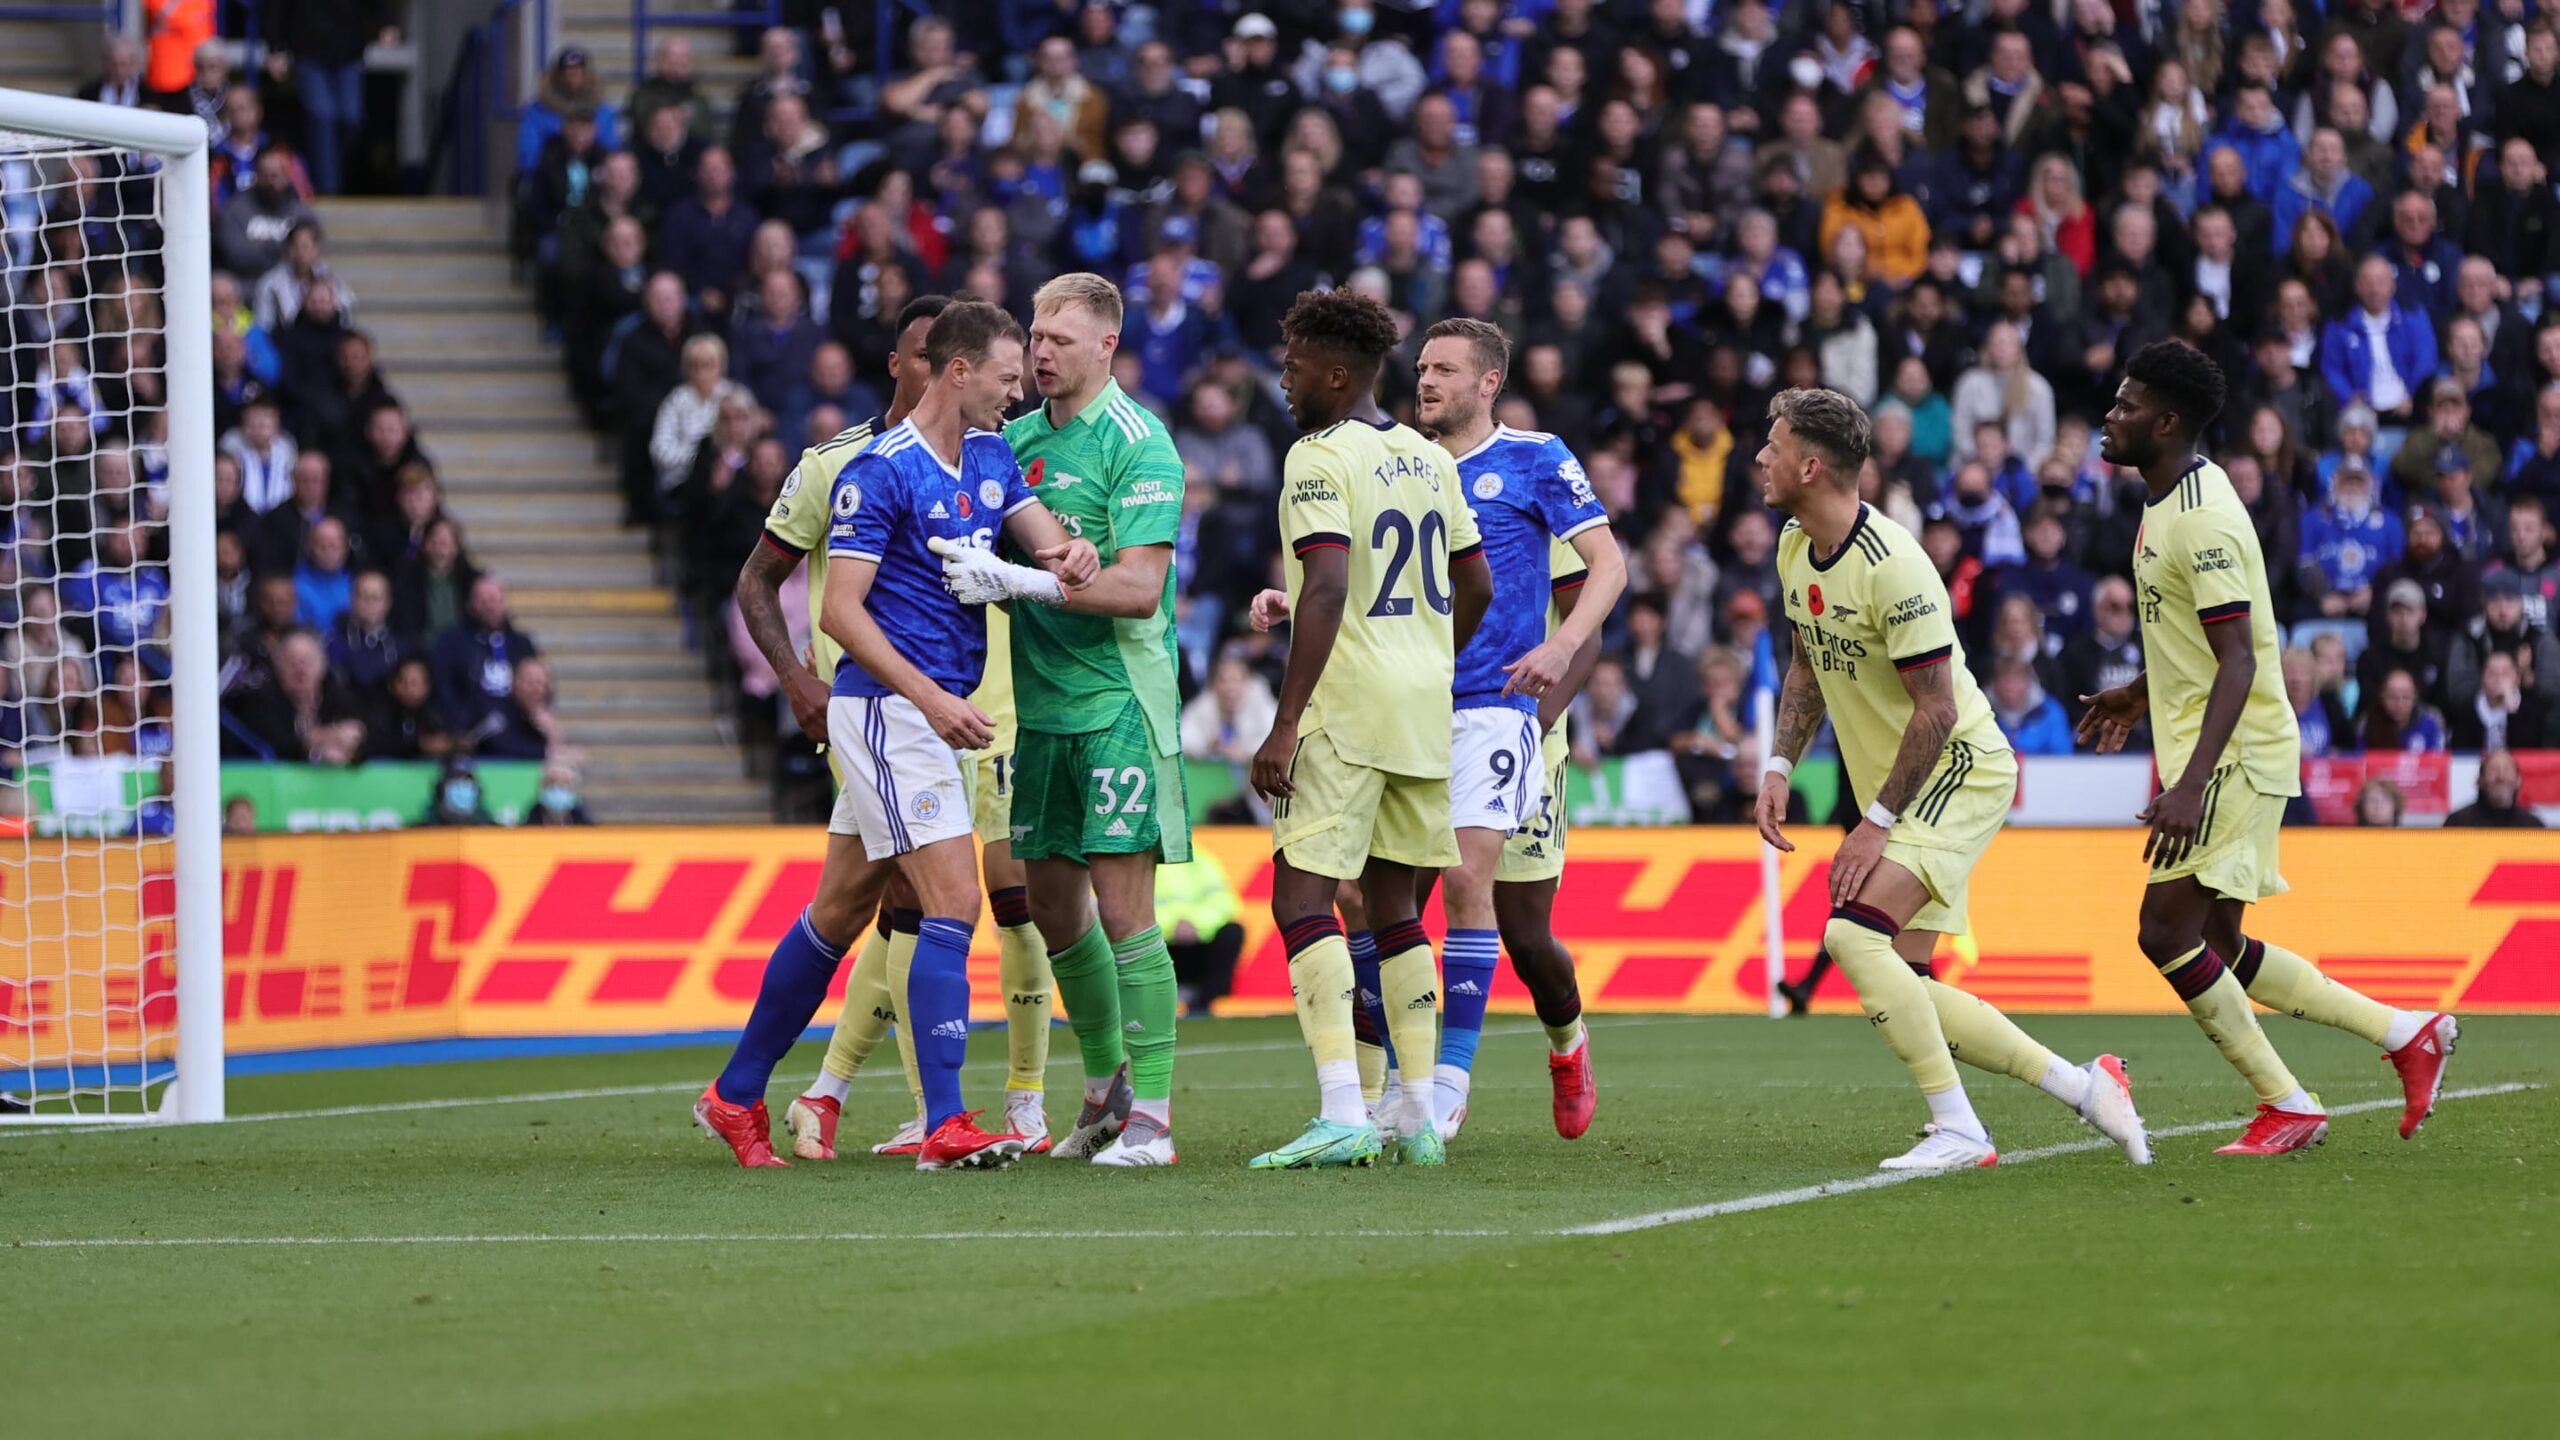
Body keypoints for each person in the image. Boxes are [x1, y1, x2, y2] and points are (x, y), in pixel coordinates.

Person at [693, 300, 1099, 1172]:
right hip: (886, 710)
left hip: (930, 718)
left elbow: (1044, 543)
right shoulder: (875, 473)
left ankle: (734, 1094)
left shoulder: (991, 456)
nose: (1015, 390)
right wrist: (933, 701)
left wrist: (1070, 557)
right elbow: (838, 607)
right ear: (957, 372)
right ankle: (946, 1121)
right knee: (952, 900)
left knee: (837, 913)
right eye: (1003, 376)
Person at [1753, 387, 2148, 1172]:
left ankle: (1961, 1129)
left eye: (1772, 445)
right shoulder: (1795, 547)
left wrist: (1873, 821)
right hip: (1908, 782)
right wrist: (1778, 764)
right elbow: (1806, 664)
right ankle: (2086, 1087)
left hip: (1958, 766)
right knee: (1906, 985)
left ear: (1810, 464)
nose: (1759, 457)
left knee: (1847, 934)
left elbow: (1935, 712)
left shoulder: (1896, 567)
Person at [2081, 340, 2457, 1154]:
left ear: (2168, 421)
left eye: (2127, 406)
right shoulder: (2170, 498)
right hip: (2216, 746)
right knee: (2217, 944)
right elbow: (2201, 638)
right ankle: (2403, 1032)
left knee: (2163, 932)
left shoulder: (2204, 516)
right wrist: (2138, 695)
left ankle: (2287, 1100)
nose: (2110, 418)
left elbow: (2241, 659)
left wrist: (2190, 783)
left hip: (2232, 753)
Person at [906, 272, 1203, 1167]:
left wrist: (1030, 579)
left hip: (1118, 703)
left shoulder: (1139, 444)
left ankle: (1154, 1118)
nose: (1038, 352)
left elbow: (1139, 589)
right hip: (1041, 709)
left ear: (1107, 346)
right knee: (1051, 911)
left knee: (1125, 914)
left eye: (1059, 339)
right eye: (1034, 335)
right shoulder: (1014, 440)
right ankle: (1109, 1090)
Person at [1239, 287, 1492, 1170]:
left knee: (1301, 900)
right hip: (1425, 710)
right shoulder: (1430, 459)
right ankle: (1416, 1116)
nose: (1285, 377)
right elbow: (1480, 587)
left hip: (1345, 714)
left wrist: (1284, 723)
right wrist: (1424, 657)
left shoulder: (1317, 456)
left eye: (1295, 363)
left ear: (1336, 371)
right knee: (1396, 913)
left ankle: (1344, 1109)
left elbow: (1329, 585)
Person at [2446, 748, 2545, 827]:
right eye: (2493, 770)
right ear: (2480, 780)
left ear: (2518, 780)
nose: (2501, 777)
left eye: (2507, 770)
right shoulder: (2457, 824)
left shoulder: (2533, 827)